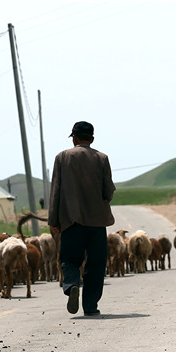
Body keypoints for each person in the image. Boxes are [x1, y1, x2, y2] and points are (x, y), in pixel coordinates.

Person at [48, 121, 116, 316]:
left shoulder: (62, 157)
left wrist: (53, 220)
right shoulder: (102, 158)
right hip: (97, 222)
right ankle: (90, 306)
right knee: (96, 264)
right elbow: (108, 190)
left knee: (69, 259)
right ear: (92, 139)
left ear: (74, 138)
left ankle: (71, 285)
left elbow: (56, 191)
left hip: (71, 220)